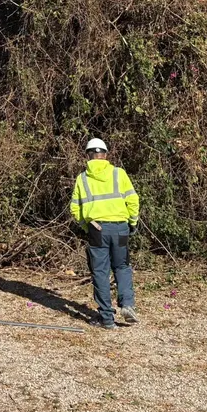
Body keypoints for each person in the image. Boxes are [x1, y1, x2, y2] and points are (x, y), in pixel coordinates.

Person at [70, 137, 140, 329]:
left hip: (97, 228)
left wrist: (87, 225)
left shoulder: (82, 178)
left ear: (88, 156)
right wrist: (132, 222)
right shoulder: (119, 174)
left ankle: (106, 319)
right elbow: (133, 200)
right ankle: (127, 304)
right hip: (120, 227)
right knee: (122, 267)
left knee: (100, 271)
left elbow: (75, 209)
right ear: (106, 155)